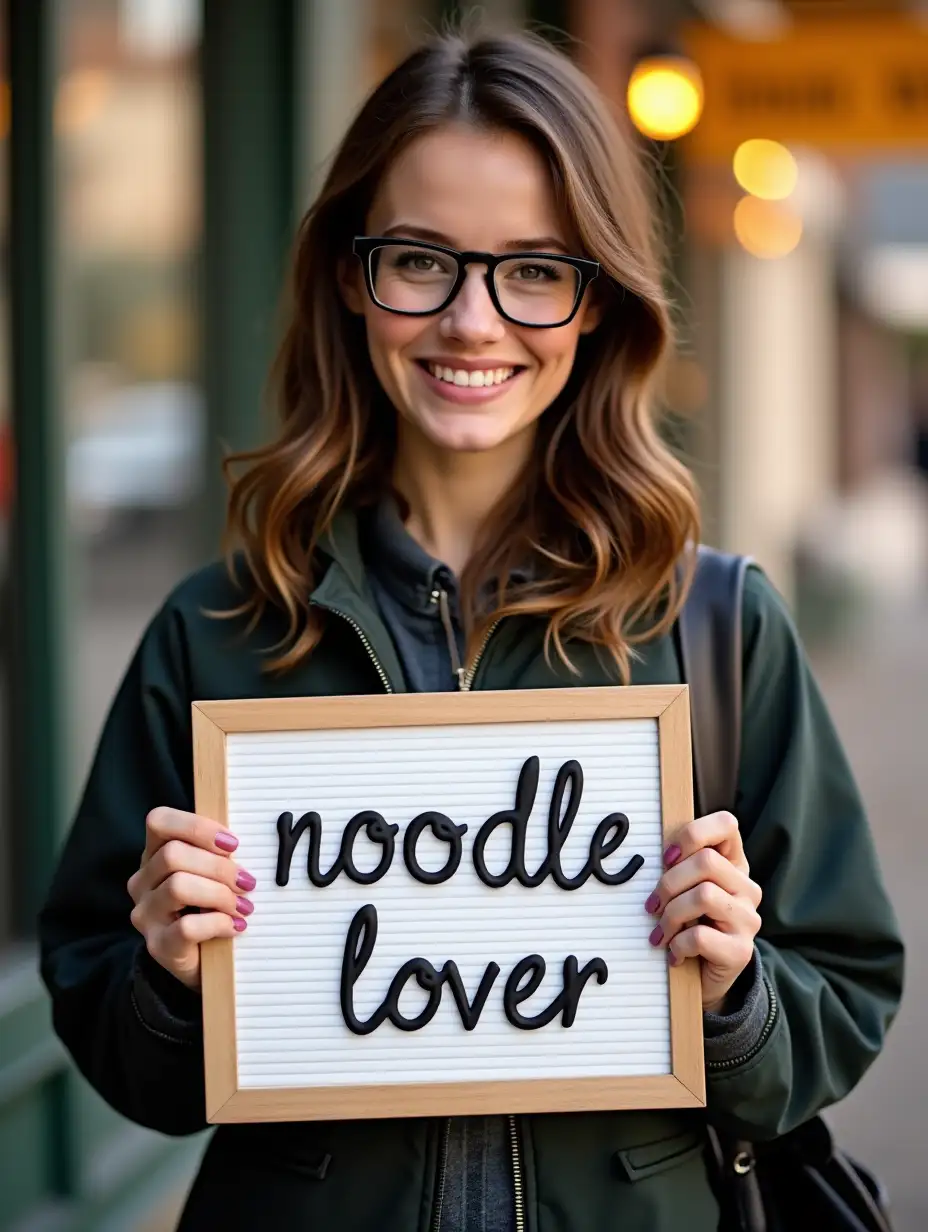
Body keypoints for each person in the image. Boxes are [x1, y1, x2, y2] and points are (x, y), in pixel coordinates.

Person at [39, 30, 903, 1232]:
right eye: (420, 261)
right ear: (351, 274)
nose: (471, 322)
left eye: (533, 270)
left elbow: (844, 997)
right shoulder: (218, 631)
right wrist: (168, 980)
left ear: (595, 300)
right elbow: (127, 1058)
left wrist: (740, 990)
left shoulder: (716, 624)